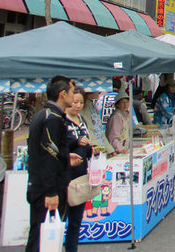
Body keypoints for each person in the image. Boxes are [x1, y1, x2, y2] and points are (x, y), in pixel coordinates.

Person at [26, 75, 83, 252]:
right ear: (62, 94)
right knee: (41, 239)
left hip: (42, 186)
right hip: (46, 189)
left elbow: (53, 152)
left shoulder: (46, 115)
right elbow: (48, 157)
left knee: (41, 236)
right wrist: (51, 192)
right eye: (72, 92)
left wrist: (67, 157)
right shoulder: (52, 118)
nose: (74, 97)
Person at [64, 87, 98, 252]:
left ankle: (72, 249)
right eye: (74, 102)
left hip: (82, 176)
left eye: (81, 102)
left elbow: (87, 145)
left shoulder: (82, 120)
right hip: (65, 177)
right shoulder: (61, 121)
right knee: (58, 218)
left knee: (76, 220)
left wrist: (92, 150)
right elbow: (60, 146)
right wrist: (76, 142)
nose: (77, 105)